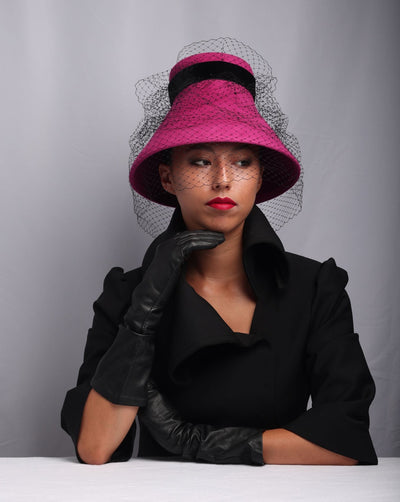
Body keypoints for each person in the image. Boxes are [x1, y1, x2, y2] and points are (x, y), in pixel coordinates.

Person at [61, 38, 377, 466]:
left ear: (261, 176)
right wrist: (144, 311)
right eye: (200, 161)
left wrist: (194, 442)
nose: (224, 180)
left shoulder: (315, 288)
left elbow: (347, 441)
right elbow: (95, 448)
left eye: (243, 161)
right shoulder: (129, 293)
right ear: (168, 177)